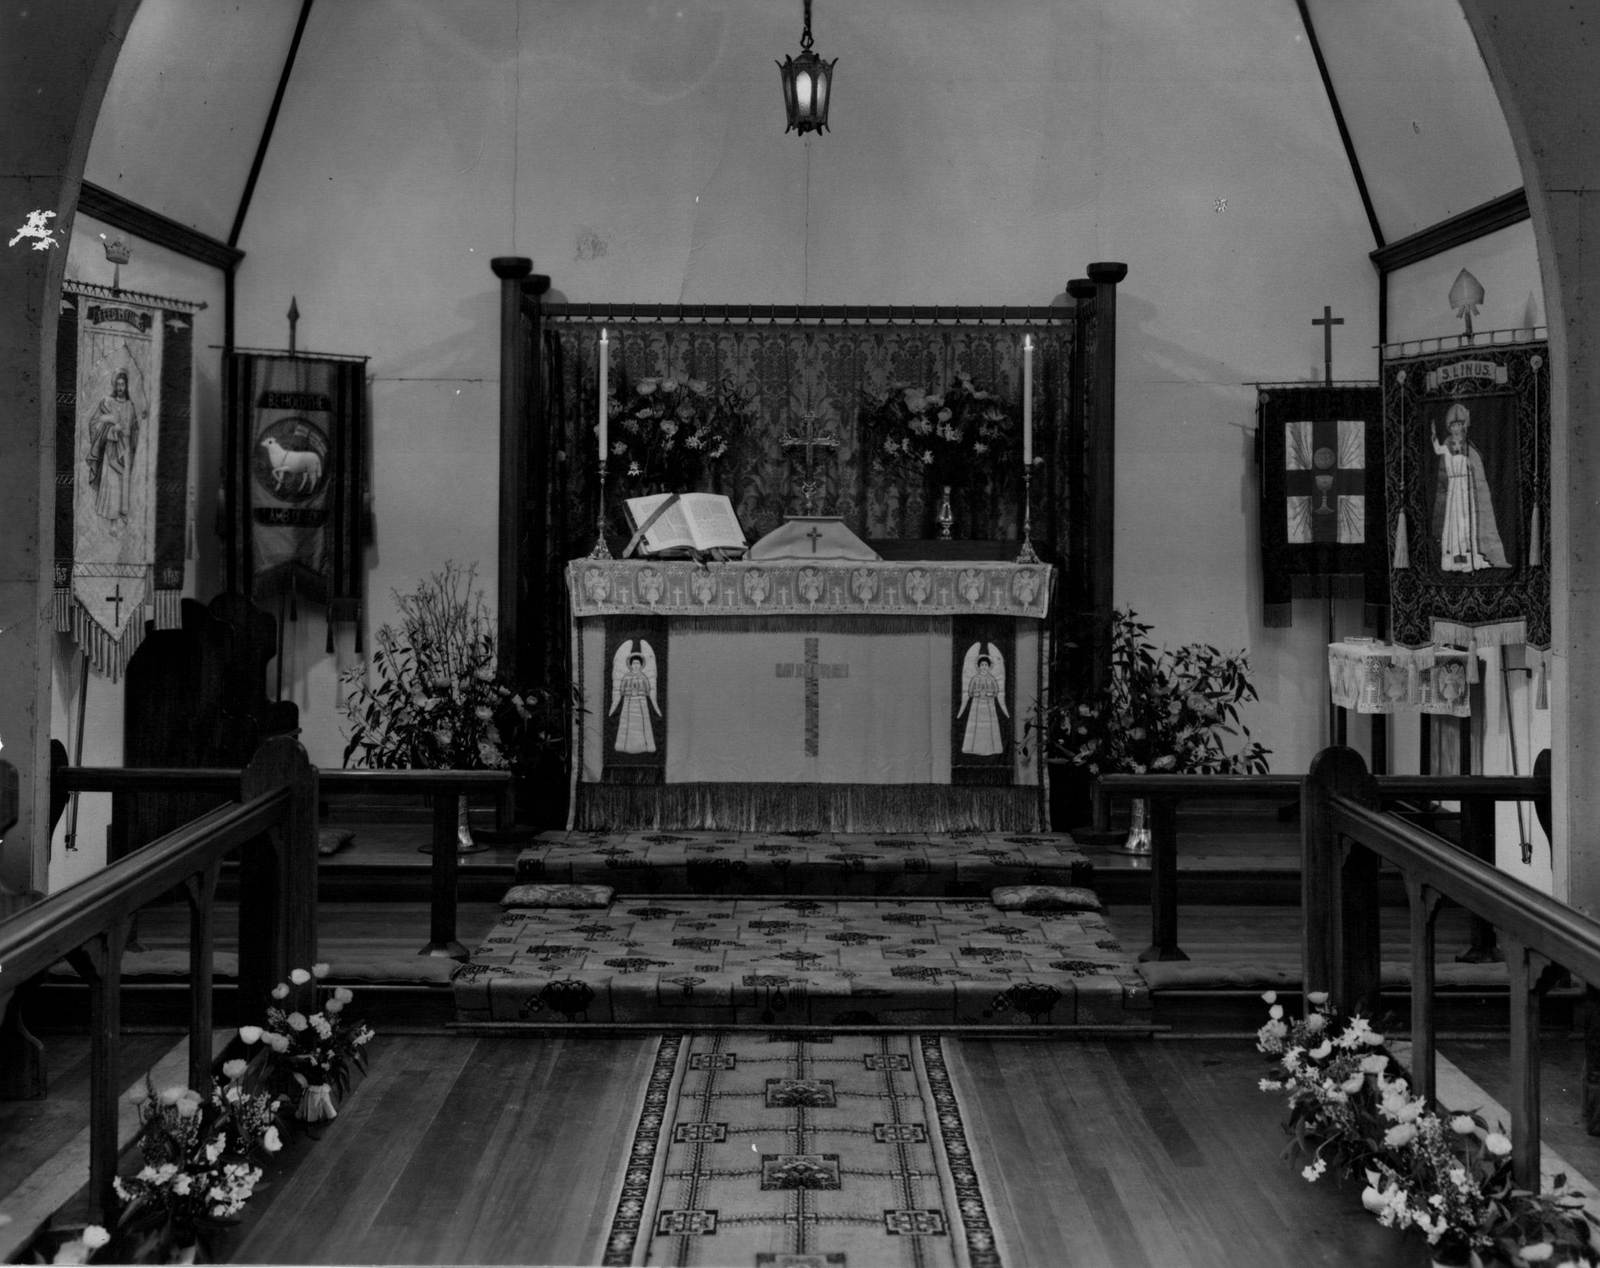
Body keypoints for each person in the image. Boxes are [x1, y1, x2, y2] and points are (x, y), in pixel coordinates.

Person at [1432, 402, 1507, 572]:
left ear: (1464, 426)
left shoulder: (1469, 449)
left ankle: (1469, 554)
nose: (1456, 428)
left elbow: (1476, 470)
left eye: (1459, 425)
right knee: (1454, 522)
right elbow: (1439, 450)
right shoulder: (1447, 445)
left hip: (1465, 491)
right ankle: (1453, 557)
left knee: (1466, 522)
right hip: (1453, 491)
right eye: (1453, 425)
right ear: (1450, 427)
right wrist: (1434, 436)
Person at [85, 369, 141, 522]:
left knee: (124, 478)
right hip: (111, 447)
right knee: (112, 479)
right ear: (115, 386)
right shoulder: (108, 403)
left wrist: (127, 430)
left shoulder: (130, 405)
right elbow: (95, 422)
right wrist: (111, 426)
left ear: (127, 386)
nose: (120, 387)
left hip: (126, 448)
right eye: (118, 384)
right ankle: (111, 516)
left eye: (123, 384)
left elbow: (134, 427)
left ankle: (123, 513)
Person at [958, 647, 1008, 756]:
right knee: (974, 725)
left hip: (989, 705)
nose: (984, 667)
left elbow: (996, 691)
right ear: (978, 667)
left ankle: (993, 748)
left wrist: (990, 694)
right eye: (982, 665)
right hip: (976, 705)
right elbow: (970, 691)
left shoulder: (992, 679)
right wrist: (977, 694)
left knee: (991, 725)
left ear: (989, 667)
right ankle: (971, 748)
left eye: (986, 665)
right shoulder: (975, 679)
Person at [611, 644, 660, 753]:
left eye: (638, 663)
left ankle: (647, 746)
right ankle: (622, 746)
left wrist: (640, 693)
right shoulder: (626, 677)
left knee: (643, 722)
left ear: (641, 665)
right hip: (628, 702)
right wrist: (629, 693)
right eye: (634, 663)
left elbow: (647, 689)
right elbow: (622, 689)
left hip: (641, 702)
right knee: (626, 722)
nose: (636, 665)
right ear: (631, 665)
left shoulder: (643, 678)